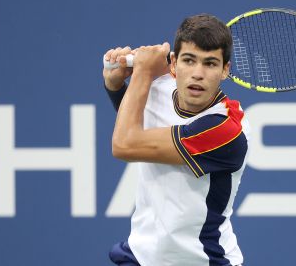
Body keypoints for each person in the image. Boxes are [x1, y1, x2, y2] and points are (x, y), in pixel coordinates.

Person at [103, 14, 249, 266]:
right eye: (189, 60)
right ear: (173, 63)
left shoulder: (225, 129)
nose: (198, 73)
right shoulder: (158, 87)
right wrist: (114, 84)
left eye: (210, 64)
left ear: (225, 70)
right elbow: (132, 116)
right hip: (141, 256)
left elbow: (125, 144)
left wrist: (143, 73)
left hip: (202, 261)